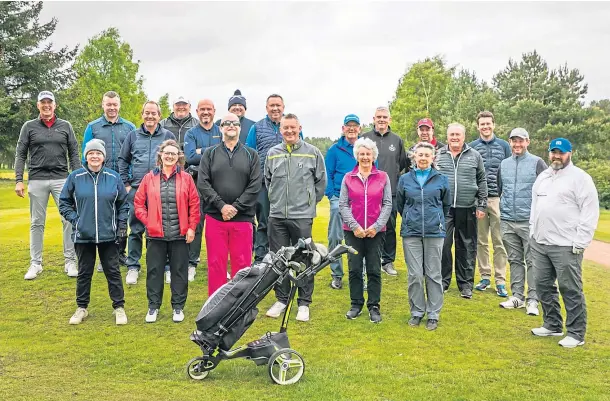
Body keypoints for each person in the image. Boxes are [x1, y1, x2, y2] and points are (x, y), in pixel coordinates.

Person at [530, 138, 599, 348]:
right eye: (553, 152)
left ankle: (576, 333)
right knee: (542, 286)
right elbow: (535, 207)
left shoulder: (581, 179)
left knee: (570, 288)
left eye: (561, 152)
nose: (556, 156)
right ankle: (552, 324)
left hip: (566, 245)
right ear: (549, 153)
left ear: (570, 153)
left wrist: (581, 241)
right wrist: (533, 231)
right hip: (540, 242)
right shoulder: (543, 177)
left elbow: (590, 212)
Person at [58, 139, 129, 325]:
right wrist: (75, 220)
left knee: (113, 272)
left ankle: (119, 308)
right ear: (86, 156)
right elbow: (64, 202)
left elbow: (123, 203)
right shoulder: (75, 177)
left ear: (103, 157)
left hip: (109, 235)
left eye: (98, 153)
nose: (95, 156)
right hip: (83, 235)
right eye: (91, 153)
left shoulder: (113, 177)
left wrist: (122, 225)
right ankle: (81, 308)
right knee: (84, 272)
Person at [264, 113, 326, 322]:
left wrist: (308, 204)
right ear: (280, 130)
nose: (289, 131)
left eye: (293, 127)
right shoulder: (272, 153)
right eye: (285, 128)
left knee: (304, 259)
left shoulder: (312, 153)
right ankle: (282, 299)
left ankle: (303, 303)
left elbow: (320, 182)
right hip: (277, 216)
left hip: (302, 216)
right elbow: (268, 181)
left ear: (299, 128)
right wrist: (276, 200)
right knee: (279, 260)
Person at [15, 90, 80, 280]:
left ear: (54, 105)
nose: (46, 105)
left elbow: (74, 154)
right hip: (37, 178)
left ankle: (70, 261)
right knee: (37, 223)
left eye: (49, 102)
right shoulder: (29, 127)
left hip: (62, 179)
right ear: (38, 105)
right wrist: (19, 180)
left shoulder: (65, 126)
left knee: (68, 219)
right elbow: (20, 154)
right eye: (43, 102)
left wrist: (77, 178)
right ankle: (36, 263)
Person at [134, 139, 200, 323]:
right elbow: (138, 203)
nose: (170, 156)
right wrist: (149, 222)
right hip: (156, 235)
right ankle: (153, 306)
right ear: (160, 156)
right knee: (154, 271)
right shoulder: (149, 178)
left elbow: (194, 204)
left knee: (179, 271)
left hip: (180, 234)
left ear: (179, 157)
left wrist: (191, 228)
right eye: (166, 153)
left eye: (173, 153)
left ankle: (178, 307)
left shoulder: (186, 178)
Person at [198, 113, 262, 295]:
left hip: (242, 219)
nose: (231, 126)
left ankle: (239, 306)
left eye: (234, 123)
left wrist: (236, 207)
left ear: (240, 128)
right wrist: (221, 206)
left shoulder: (252, 155)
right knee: (216, 264)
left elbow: (255, 185)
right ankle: (216, 307)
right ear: (220, 128)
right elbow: (203, 183)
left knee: (242, 266)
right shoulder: (210, 154)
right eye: (226, 123)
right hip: (215, 218)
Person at [118, 101, 175, 285]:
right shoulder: (132, 136)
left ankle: (166, 267)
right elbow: (123, 160)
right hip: (137, 189)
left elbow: (176, 160)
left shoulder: (168, 136)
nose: (150, 116)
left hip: (163, 190)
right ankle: (133, 266)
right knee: (135, 229)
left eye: (154, 114)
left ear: (159, 116)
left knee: (164, 230)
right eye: (147, 113)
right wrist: (126, 184)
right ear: (142, 114)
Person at [397, 142, 451, 331]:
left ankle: (433, 314)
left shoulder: (441, 179)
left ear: (432, 158)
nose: (423, 158)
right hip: (411, 232)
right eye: (420, 155)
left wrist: (435, 220)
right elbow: (401, 205)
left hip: (434, 232)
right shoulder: (405, 179)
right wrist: (412, 219)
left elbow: (446, 205)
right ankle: (417, 312)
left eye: (427, 155)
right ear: (414, 157)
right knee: (415, 275)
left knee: (434, 274)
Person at [81, 91, 136, 270]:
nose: (112, 108)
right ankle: (104, 256)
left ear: (119, 105)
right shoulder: (93, 127)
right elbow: (85, 155)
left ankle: (120, 253)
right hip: (101, 179)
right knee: (103, 217)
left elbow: (134, 154)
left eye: (115, 104)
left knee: (123, 215)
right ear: (103, 105)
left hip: (123, 180)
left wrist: (128, 180)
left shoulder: (129, 127)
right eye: (108, 104)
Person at [339, 137, 392, 324]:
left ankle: (374, 305)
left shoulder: (383, 177)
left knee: (374, 268)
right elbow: (343, 205)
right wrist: (355, 226)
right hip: (353, 231)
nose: (365, 157)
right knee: (354, 268)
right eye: (361, 153)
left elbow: (387, 204)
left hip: (375, 232)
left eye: (368, 153)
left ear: (373, 155)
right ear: (357, 156)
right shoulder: (348, 178)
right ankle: (356, 304)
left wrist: (376, 227)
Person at [497, 128, 547, 315]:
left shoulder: (537, 163)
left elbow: (546, 190)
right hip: (508, 219)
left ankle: (533, 299)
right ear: (510, 142)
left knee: (532, 260)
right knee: (515, 259)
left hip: (529, 221)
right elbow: (501, 188)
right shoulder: (504, 164)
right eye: (514, 141)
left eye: (521, 141)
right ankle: (517, 296)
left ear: (527, 142)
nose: (517, 144)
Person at [435, 123, 487, 299]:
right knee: (443, 245)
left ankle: (465, 284)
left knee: (466, 247)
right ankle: (443, 281)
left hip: (468, 207)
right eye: (451, 135)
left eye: (458, 134)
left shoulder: (474, 155)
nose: (454, 138)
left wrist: (481, 205)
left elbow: (482, 180)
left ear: (464, 137)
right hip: (445, 209)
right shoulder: (439, 155)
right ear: (447, 136)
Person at [363, 106, 409, 276]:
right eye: (378, 117)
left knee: (389, 227)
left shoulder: (397, 140)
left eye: (385, 117)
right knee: (368, 225)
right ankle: (370, 260)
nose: (381, 120)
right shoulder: (365, 138)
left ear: (389, 120)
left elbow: (403, 164)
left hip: (391, 192)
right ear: (373, 119)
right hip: (368, 191)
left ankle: (387, 261)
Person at [469, 111, 511, 296]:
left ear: (494, 124)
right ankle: (485, 276)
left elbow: (510, 171)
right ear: (477, 126)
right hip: (478, 200)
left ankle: (500, 280)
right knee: (481, 240)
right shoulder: (471, 147)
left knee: (499, 241)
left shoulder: (503, 146)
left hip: (497, 198)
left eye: (488, 123)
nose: (485, 127)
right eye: (482, 124)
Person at [183, 99, 223, 282]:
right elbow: (190, 157)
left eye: (209, 109)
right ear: (197, 112)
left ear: (214, 111)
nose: (206, 112)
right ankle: (191, 263)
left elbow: (225, 154)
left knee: (218, 226)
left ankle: (219, 263)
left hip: (218, 184)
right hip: (196, 183)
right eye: (202, 109)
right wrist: (214, 151)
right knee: (196, 223)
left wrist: (202, 151)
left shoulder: (220, 130)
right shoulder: (191, 133)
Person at [246, 94, 286, 263]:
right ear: (266, 108)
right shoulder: (257, 128)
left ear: (283, 107)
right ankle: (261, 258)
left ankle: (282, 257)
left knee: (284, 222)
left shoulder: (290, 126)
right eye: (272, 105)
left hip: (286, 184)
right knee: (263, 221)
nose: (275, 108)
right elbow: (249, 154)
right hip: (263, 183)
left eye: (278, 105)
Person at [325, 114, 360, 289]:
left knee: (361, 236)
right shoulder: (334, 150)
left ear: (360, 128)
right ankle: (336, 274)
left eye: (355, 126)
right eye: (349, 126)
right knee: (335, 237)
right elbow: (327, 175)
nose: (352, 129)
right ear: (343, 128)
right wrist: (331, 195)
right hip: (339, 197)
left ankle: (360, 273)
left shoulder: (365, 148)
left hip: (361, 199)